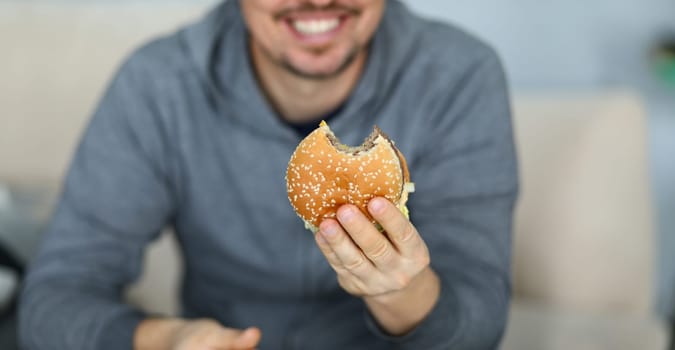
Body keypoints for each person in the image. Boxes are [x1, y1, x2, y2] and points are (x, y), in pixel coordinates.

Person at [18, 0, 518, 349]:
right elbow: (52, 304)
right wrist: (169, 340)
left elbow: (479, 327)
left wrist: (401, 292)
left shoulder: (458, 74)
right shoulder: (159, 85)